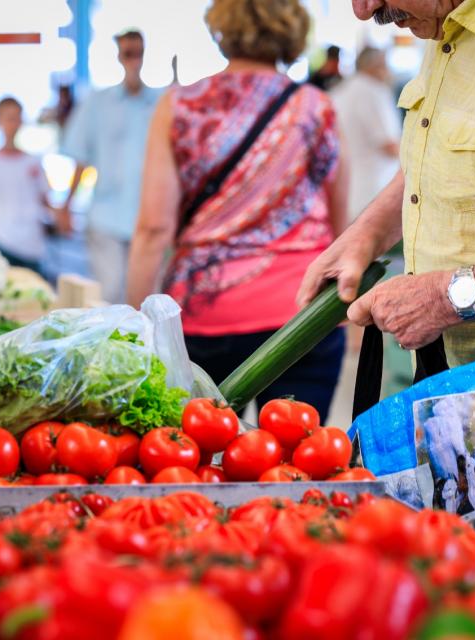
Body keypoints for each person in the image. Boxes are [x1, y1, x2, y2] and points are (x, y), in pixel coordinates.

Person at [126, 0, 349, 422]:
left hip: (206, 314)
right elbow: (342, 225)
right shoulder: (315, 107)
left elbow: (154, 228)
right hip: (302, 316)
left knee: (199, 458)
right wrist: (348, 312)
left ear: (221, 26)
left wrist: (137, 325)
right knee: (294, 463)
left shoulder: (181, 106)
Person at [298, 0, 475, 368]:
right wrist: (366, 234)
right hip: (456, 381)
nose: (364, 12)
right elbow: (438, 156)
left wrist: (444, 298)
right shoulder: (440, 19)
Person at [61, 30, 161, 303]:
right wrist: (66, 206)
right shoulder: (97, 102)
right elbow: (80, 158)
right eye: (128, 54)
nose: (133, 60)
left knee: (150, 298)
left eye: (138, 54)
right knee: (111, 293)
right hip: (107, 217)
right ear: (119, 56)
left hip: (150, 217)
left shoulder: (161, 102)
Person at [0, 97, 67, 272]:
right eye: (9, 118)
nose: (14, 124)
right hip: (0, 243)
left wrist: (61, 217)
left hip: (32, 247)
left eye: (17, 118)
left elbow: (46, 199)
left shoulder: (34, 162)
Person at [332, 47, 401, 221]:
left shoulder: (341, 90)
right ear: (376, 65)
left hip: (347, 189)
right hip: (373, 190)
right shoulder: (373, 92)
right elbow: (389, 146)